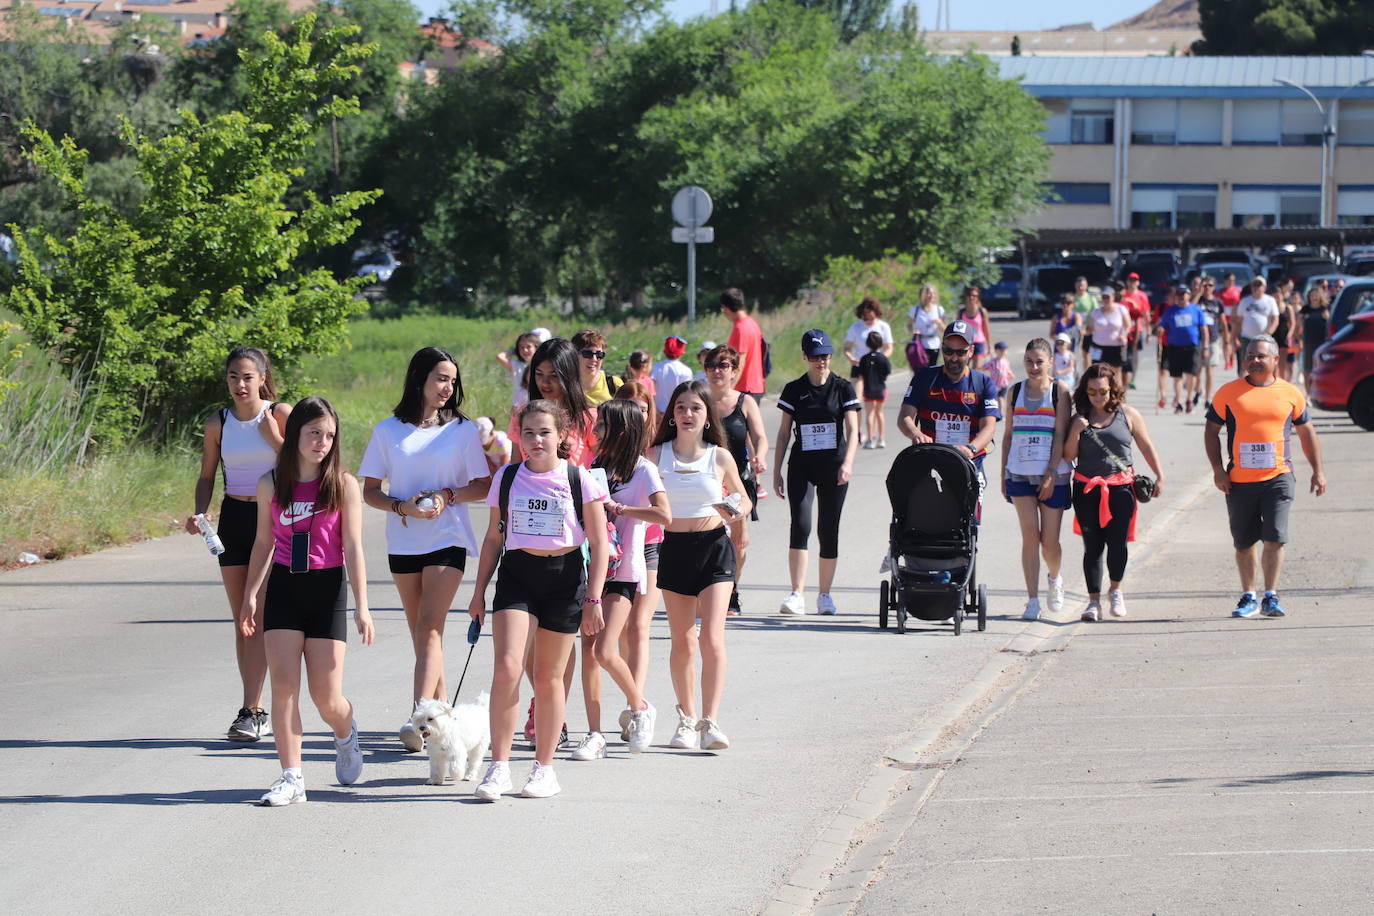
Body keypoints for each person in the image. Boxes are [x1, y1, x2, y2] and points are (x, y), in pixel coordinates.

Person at [468, 400, 610, 800]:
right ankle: (498, 767)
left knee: (549, 677)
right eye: (528, 432)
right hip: (517, 575)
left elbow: (599, 544)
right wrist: (478, 592)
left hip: (565, 579)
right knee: (507, 668)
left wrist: (594, 598)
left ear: (562, 435)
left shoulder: (580, 480)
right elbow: (494, 537)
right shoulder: (508, 478)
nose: (535, 440)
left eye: (544, 432)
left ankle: (544, 768)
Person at [239, 396, 373, 806]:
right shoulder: (270, 484)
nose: (322, 442)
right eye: (314, 432)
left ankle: (346, 734)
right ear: (295, 431)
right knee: (283, 687)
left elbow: (353, 546)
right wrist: (249, 596)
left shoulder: (344, 484)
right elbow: (264, 542)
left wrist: (362, 605)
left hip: (327, 588)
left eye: (329, 435)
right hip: (284, 586)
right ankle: (291, 777)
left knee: (326, 696)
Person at [358, 347, 492, 752]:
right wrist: (401, 507)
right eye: (440, 378)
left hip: (447, 538)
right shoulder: (387, 431)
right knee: (423, 637)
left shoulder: (463, 431)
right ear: (419, 379)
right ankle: (444, 720)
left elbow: (483, 485)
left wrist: (447, 495)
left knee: (430, 627)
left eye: (452, 380)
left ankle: (417, 719)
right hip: (403, 541)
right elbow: (369, 491)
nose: (448, 388)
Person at [187, 346, 291, 743]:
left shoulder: (279, 414)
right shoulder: (219, 422)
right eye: (233, 377)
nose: (240, 384)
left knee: (260, 612)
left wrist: (276, 439)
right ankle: (252, 708)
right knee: (241, 618)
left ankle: (255, 710)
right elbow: (206, 476)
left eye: (248, 377)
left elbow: (308, 463)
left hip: (273, 518)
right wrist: (200, 512)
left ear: (263, 377)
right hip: (234, 517)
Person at [652, 381, 753, 750]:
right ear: (672, 414)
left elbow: (744, 501)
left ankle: (710, 722)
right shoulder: (656, 455)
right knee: (682, 641)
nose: (688, 414)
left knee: (711, 638)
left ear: (708, 415)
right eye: (681, 407)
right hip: (674, 549)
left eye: (695, 407)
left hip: (714, 547)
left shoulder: (719, 457)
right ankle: (686, 719)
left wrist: (734, 508)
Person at [571, 400, 671, 761]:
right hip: (591, 568)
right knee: (587, 651)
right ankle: (594, 733)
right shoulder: (594, 467)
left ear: (621, 432)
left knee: (604, 650)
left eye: (601, 427)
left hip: (626, 570)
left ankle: (639, 706)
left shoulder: (644, 471)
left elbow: (665, 514)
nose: (594, 433)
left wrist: (622, 509)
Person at [1204, 336, 1326, 619]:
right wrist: (1218, 470)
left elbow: (1307, 432)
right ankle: (1249, 596)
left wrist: (1318, 471)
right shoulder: (1228, 393)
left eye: (1260, 356)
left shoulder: (1290, 393)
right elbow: (1211, 431)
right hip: (1239, 481)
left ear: (1275, 360)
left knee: (1275, 538)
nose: (1254, 360)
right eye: (1249, 356)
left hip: (1278, 477)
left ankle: (1270, 595)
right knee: (1244, 542)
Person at [1062, 365, 1165, 622]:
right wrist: (1075, 432)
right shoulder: (1079, 418)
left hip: (1121, 488)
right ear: (1085, 391)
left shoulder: (1127, 414)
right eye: (1092, 391)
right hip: (1087, 489)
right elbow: (1068, 456)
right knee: (1093, 547)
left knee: (1118, 543)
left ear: (1113, 389)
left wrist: (1160, 475)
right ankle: (1093, 601)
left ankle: (1116, 590)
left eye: (1103, 391)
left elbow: (1145, 445)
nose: (1098, 396)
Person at [774, 330, 861, 616]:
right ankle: (796, 593)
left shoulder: (843, 388)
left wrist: (848, 463)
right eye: (814, 356)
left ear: (831, 356)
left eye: (824, 356)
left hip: (834, 467)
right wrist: (776, 470)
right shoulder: (793, 389)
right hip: (802, 465)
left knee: (828, 528)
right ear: (805, 357)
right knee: (800, 525)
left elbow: (853, 429)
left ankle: (825, 595)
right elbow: (785, 433)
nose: (820, 361)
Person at [1000, 339, 1073, 620]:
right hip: (1019, 471)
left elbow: (1060, 434)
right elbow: (1008, 435)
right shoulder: (1014, 391)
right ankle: (1032, 600)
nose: (1033, 366)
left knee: (1049, 542)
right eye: (1029, 360)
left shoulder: (1059, 391)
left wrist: (1051, 473)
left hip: (1053, 474)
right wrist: (1004, 473)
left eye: (1039, 361)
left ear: (1050, 362)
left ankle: (1055, 578)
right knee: (1030, 536)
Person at [897, 320, 1001, 501]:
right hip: (929, 459)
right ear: (941, 348)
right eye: (948, 351)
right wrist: (916, 434)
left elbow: (989, 427)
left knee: (967, 523)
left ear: (971, 351)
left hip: (968, 462)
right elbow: (905, 417)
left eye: (960, 352)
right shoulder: (924, 378)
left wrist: (971, 448)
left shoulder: (983, 383)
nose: (953, 357)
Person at [704, 345, 769, 615]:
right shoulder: (698, 400)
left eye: (724, 365)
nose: (718, 370)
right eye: (712, 366)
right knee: (706, 539)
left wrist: (760, 457)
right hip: (705, 482)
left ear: (734, 371)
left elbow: (760, 437)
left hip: (737, 484)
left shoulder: (745, 402)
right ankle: (707, 592)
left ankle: (731, 589)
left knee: (739, 543)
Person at [508, 337, 598, 468]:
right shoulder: (521, 414)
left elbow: (602, 469)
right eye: (539, 374)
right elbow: (515, 466)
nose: (545, 382)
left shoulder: (589, 417)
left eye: (554, 375)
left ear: (570, 376)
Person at [1158, 285, 1209, 414]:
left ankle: (1189, 399)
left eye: (1184, 294)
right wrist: (1160, 329)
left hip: (1193, 346)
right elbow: (1163, 325)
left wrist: (1206, 346)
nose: (1181, 297)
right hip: (1175, 347)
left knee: (1191, 374)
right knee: (1177, 376)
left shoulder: (1196, 310)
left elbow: (1204, 329)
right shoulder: (1170, 311)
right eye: (1179, 294)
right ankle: (1179, 401)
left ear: (1189, 295)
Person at [844, 296, 895, 404]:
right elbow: (847, 348)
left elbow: (889, 347)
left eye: (871, 318)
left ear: (876, 314)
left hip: (875, 368)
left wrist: (881, 358)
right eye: (865, 318)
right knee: (855, 400)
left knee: (875, 404)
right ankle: (856, 421)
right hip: (859, 365)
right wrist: (851, 358)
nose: (868, 321)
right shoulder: (855, 327)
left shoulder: (883, 326)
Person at [722, 287, 766, 401]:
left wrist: (729, 389)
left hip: (744, 388)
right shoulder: (752, 323)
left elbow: (740, 361)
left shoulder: (740, 328)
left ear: (726, 308)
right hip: (755, 386)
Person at [1233, 277, 1279, 375]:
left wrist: (1269, 333)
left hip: (1264, 339)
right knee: (1245, 363)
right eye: (1254, 285)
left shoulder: (1270, 300)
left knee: (1266, 363)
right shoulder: (1245, 301)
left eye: (1259, 285)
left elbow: (1275, 319)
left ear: (1264, 287)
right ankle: (1243, 387)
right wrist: (1235, 337)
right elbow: (1238, 321)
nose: (1256, 287)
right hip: (1246, 337)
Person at [858, 330, 893, 449]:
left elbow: (861, 376)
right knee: (879, 413)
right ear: (881, 343)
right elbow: (887, 375)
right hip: (881, 389)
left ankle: (870, 439)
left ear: (867, 344)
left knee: (870, 414)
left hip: (868, 389)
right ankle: (881, 439)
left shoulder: (864, 359)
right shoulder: (883, 358)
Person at [1196, 276, 1227, 406]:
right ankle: (1198, 390)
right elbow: (1190, 307)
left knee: (1209, 369)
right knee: (1196, 370)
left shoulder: (1217, 303)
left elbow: (1223, 321)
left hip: (1213, 338)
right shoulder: (1198, 300)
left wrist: (1227, 339)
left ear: (1214, 287)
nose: (1207, 288)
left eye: (1210, 285)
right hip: (1197, 338)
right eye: (1205, 285)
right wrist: (1198, 293)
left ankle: (1208, 398)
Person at [572, 329, 623, 406]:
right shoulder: (564, 385)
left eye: (599, 354)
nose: (594, 359)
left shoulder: (614, 385)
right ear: (574, 355)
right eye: (588, 354)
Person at [1119, 272, 1151, 391]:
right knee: (1124, 354)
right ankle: (1124, 378)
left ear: (1138, 282)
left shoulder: (1142, 295)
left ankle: (1133, 378)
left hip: (1137, 328)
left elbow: (1146, 313)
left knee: (1134, 353)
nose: (1133, 283)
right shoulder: (1124, 295)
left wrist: (1148, 331)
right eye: (1131, 280)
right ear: (1127, 281)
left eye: (1135, 280)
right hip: (1124, 329)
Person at [495, 331, 540, 412]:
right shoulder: (516, 365)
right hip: (519, 407)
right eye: (521, 347)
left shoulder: (541, 365)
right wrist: (513, 351)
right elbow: (500, 357)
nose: (525, 350)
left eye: (528, 347)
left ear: (536, 347)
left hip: (537, 405)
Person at [1087, 290, 1130, 369]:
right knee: (1097, 371)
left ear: (1113, 297)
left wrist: (1123, 335)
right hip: (1098, 346)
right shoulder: (1096, 311)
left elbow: (1128, 325)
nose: (1106, 299)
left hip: (1116, 346)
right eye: (1104, 297)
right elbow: (1090, 328)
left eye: (1108, 297)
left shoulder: (1121, 309)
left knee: (1115, 373)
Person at [651, 336, 693, 413]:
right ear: (682, 352)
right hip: (677, 411)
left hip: (658, 411)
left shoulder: (656, 368)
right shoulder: (686, 370)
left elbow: (650, 390)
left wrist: (654, 410)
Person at [907, 282, 946, 367]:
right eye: (929, 293)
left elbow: (944, 329)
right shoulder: (916, 310)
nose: (931, 295)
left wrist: (939, 322)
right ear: (924, 295)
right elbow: (909, 325)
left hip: (934, 343)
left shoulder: (939, 310)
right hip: (920, 344)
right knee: (920, 370)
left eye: (933, 293)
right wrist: (913, 331)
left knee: (932, 368)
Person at [1299, 286, 1330, 391]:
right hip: (1307, 343)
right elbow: (1299, 326)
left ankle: (1321, 390)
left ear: (1320, 296)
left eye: (1316, 295)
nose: (1314, 297)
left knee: (1321, 367)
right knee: (1307, 369)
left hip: (1321, 343)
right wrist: (1298, 340)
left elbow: (1330, 326)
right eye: (1312, 295)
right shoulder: (1305, 309)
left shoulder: (1325, 309)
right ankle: (1308, 393)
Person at [956, 286, 992, 370]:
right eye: (969, 295)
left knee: (976, 369)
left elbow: (986, 330)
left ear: (978, 297)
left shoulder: (982, 311)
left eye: (974, 295)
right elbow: (957, 330)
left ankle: (974, 383)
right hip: (965, 342)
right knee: (964, 369)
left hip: (979, 342)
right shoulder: (961, 312)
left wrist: (989, 345)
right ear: (966, 296)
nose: (971, 297)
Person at [1049, 294, 1083, 371]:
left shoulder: (1076, 316)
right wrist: (1059, 340)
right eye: (1063, 303)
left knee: (1073, 372)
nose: (1065, 305)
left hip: (1072, 349)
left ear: (1073, 304)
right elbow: (1051, 334)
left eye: (1068, 303)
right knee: (1058, 372)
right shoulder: (1056, 317)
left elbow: (1077, 329)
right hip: (1059, 350)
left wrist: (1063, 337)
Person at [1276, 291, 1300, 382]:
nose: (1277, 298)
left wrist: (1289, 335)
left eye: (1279, 296)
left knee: (1284, 364)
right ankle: (1275, 383)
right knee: (1274, 364)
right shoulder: (1272, 307)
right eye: (1275, 296)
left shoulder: (1287, 307)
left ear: (1282, 296)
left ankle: (1284, 383)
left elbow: (1293, 323)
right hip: (1274, 337)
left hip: (1285, 337)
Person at [987, 341, 1015, 411]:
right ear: (996, 351)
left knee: (1001, 398)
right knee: (993, 398)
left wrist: (1011, 375)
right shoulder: (993, 362)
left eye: (1005, 350)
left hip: (1003, 384)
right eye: (1001, 350)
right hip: (994, 384)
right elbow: (984, 367)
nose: (1003, 352)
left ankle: (1001, 412)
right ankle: (994, 410)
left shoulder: (1006, 362)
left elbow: (1008, 370)